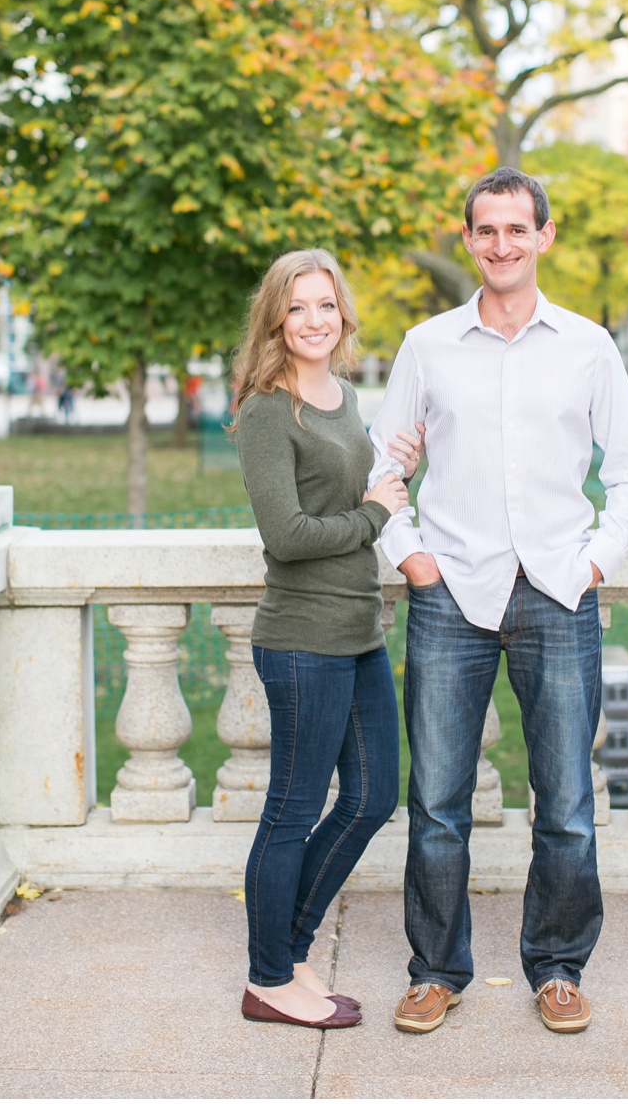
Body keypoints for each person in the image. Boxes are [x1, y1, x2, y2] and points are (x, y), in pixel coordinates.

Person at [369, 166, 628, 1037]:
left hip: (557, 592)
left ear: (545, 235)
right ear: (468, 238)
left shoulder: (589, 346)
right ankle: (436, 969)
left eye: (516, 230)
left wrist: (593, 563)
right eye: (485, 230)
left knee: (566, 803)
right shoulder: (427, 345)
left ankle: (559, 965)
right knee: (438, 802)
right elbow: (383, 468)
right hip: (451, 588)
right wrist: (413, 558)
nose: (501, 245)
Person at [230, 248, 410, 1028]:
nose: (314, 320)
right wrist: (376, 511)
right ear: (276, 316)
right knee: (292, 810)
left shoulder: (342, 395)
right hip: (303, 639)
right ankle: (269, 977)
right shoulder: (268, 409)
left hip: (359, 631)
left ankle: (289, 951)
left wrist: (392, 479)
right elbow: (289, 534)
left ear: (343, 315)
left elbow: (358, 491)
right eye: (298, 306)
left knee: (374, 797)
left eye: (326, 305)